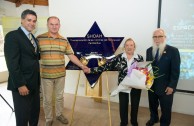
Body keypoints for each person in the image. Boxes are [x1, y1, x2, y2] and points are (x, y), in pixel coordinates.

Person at [36, 16, 88, 126]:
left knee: (59, 97)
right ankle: (49, 118)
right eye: (51, 24)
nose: (54, 26)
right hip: (46, 75)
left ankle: (59, 115)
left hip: (60, 75)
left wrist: (82, 66)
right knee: (47, 99)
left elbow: (71, 55)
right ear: (47, 25)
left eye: (56, 24)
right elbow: (33, 55)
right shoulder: (39, 38)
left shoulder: (64, 40)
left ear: (59, 25)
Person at [85, 38, 143, 126]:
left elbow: (142, 72)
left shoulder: (139, 58)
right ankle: (123, 122)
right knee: (123, 106)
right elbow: (106, 66)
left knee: (135, 105)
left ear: (134, 47)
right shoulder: (119, 57)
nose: (129, 47)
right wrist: (91, 70)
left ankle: (134, 121)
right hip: (123, 86)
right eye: (127, 45)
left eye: (131, 45)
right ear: (124, 47)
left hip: (136, 86)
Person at [4, 9, 40, 126]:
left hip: (34, 83)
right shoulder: (13, 36)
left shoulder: (33, 38)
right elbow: (12, 63)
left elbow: (34, 57)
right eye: (29, 20)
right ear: (22, 20)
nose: (32, 23)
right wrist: (20, 84)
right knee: (22, 117)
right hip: (22, 85)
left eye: (34, 21)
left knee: (34, 113)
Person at [146, 28, 180, 126]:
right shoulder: (149, 50)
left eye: (160, 36)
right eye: (155, 37)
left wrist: (172, 86)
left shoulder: (173, 51)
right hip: (151, 85)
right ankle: (154, 118)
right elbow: (148, 68)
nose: (157, 39)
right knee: (152, 105)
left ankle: (164, 123)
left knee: (166, 108)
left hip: (166, 87)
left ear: (164, 37)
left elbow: (175, 71)